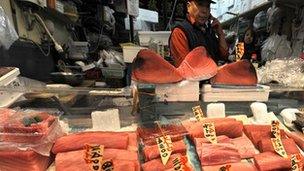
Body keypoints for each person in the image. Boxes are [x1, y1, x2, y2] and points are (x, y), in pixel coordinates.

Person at [169, 0, 229, 67]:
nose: (205, 11)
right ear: (189, 6)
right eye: (200, 5)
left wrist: (220, 33)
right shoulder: (180, 32)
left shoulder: (208, 30)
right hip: (197, 76)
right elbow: (185, 69)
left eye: (207, 6)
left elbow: (224, 56)